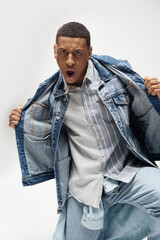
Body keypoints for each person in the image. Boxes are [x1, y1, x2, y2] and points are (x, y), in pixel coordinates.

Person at [9, 22, 160, 240]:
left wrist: (156, 95)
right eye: (63, 52)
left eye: (78, 53)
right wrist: (22, 120)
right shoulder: (51, 96)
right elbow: (38, 124)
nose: (70, 60)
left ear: (89, 52)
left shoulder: (114, 78)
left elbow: (143, 105)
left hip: (127, 172)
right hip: (86, 187)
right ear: (54, 52)